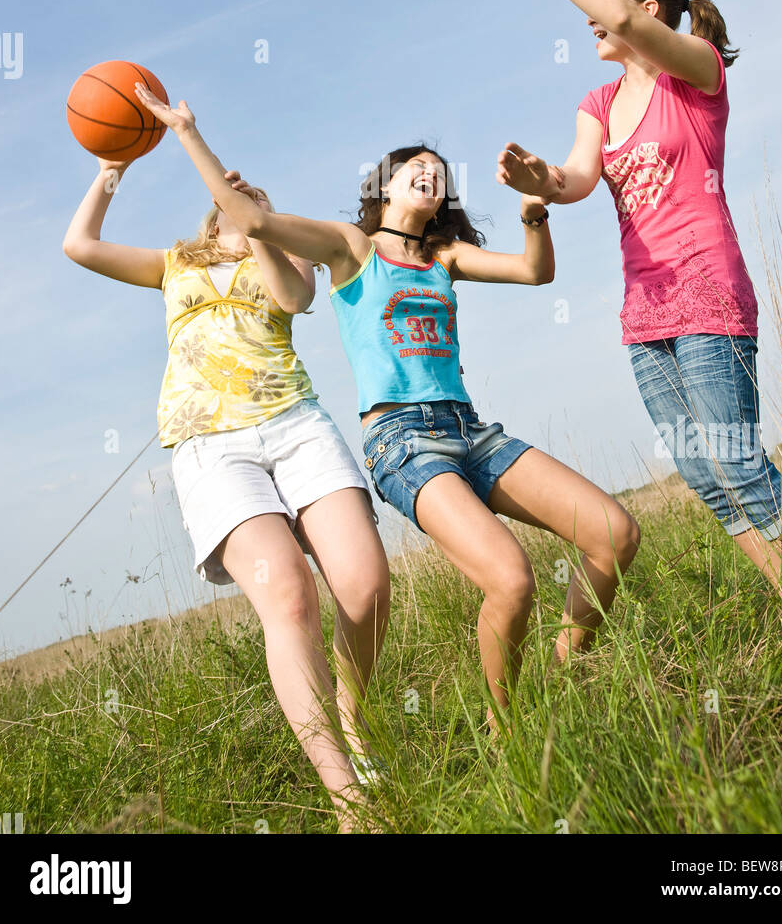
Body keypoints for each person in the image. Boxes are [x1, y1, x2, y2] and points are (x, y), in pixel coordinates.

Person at [133, 83, 641, 732]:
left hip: (471, 431)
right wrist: (186, 132)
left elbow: (536, 273)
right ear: (384, 188)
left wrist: (534, 206)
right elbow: (254, 223)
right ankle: (506, 730)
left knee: (615, 534)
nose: (430, 174)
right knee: (511, 581)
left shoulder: (443, 257)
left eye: (440, 173)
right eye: (415, 168)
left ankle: (562, 670)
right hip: (404, 442)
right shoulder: (353, 249)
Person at [481, 0, 782, 641]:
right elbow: (574, 180)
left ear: (647, 6)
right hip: (646, 311)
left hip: (707, 287)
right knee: (708, 480)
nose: (590, 20)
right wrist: (537, 183)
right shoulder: (599, 102)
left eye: (603, 5)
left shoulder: (695, 73)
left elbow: (631, 24)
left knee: (740, 466)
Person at [63, 155, 390, 832]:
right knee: (291, 598)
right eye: (232, 202)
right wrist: (111, 170)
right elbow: (80, 245)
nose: (240, 204)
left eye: (255, 200)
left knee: (365, 586)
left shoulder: (284, 257)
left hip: (295, 425)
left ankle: (357, 722)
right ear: (210, 216)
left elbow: (295, 300)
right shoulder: (172, 263)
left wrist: (263, 225)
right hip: (213, 448)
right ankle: (348, 799)